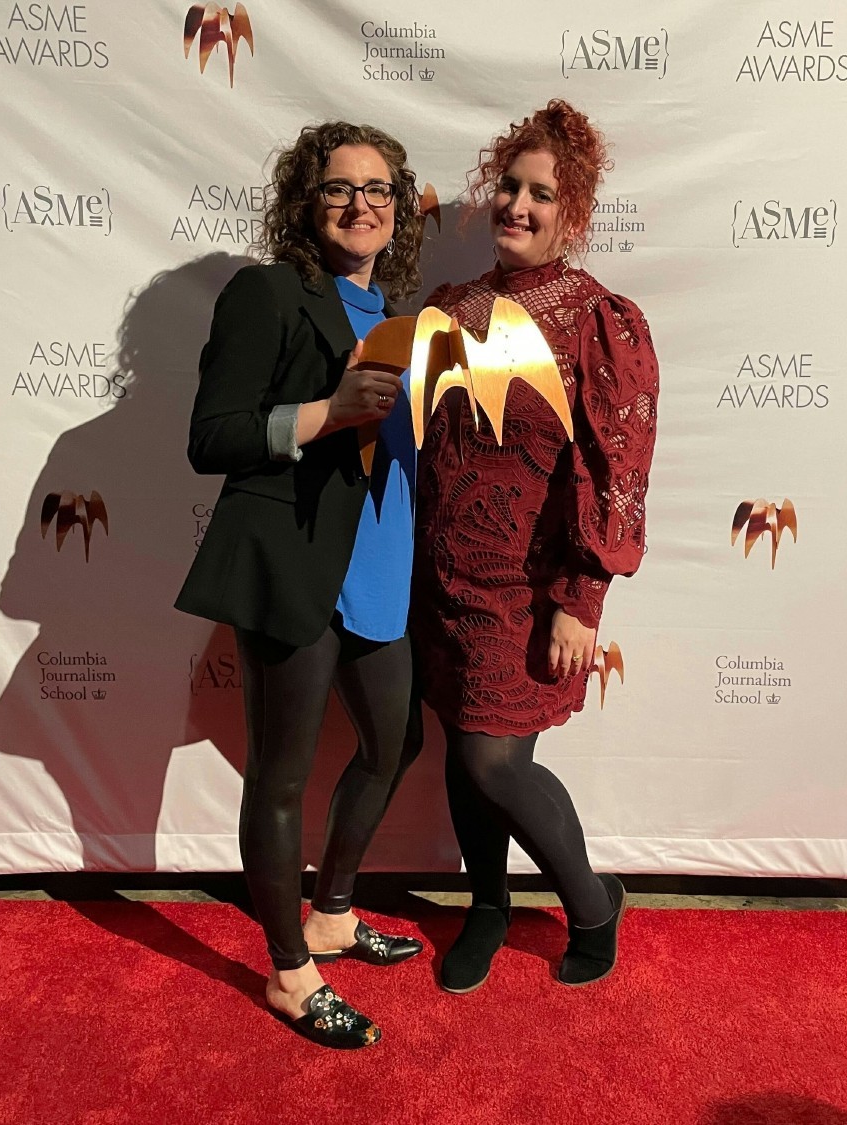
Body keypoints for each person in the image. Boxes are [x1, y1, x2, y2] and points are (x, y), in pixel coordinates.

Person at [176, 121, 427, 1049]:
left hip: (384, 570)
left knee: (392, 745)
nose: (360, 204)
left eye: (378, 191)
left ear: (397, 211)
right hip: (297, 569)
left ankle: (333, 911)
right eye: (339, 188)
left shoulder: (401, 317)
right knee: (278, 777)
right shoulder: (269, 292)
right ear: (306, 201)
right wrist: (327, 412)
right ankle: (289, 971)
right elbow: (213, 436)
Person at [412, 100, 660, 992]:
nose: (518, 206)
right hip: (440, 577)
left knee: (495, 759)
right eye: (509, 188)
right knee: (463, 753)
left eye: (541, 195)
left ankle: (592, 903)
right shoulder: (451, 306)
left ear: (573, 213)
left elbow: (616, 468)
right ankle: (487, 906)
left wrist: (581, 596)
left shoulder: (598, 318)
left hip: (529, 584)